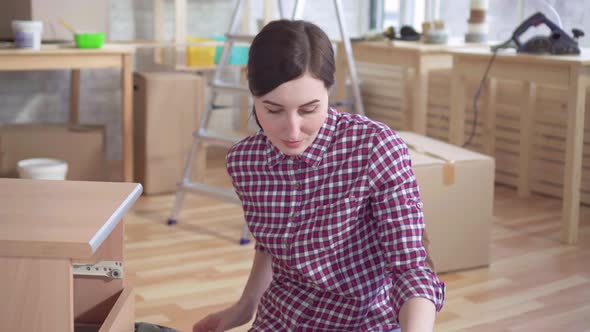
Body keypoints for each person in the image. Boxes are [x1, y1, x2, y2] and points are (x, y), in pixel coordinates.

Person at [193, 19, 445, 332]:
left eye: (309, 109)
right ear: (253, 94)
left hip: (364, 323)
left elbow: (410, 269)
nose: (293, 131)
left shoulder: (375, 148)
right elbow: (271, 245)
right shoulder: (245, 161)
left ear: (329, 90)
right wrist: (244, 306)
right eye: (273, 111)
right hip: (281, 319)